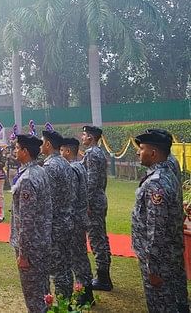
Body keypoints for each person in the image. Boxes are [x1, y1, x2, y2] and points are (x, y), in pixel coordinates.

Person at [132, 130, 188, 313]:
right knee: (173, 299)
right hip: (170, 255)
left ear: (153, 153)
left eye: (141, 148)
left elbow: (156, 229)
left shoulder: (156, 183)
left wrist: (153, 267)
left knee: (160, 304)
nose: (138, 152)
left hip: (159, 260)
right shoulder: (167, 175)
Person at [10, 133, 52, 313]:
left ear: (25, 152)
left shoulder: (27, 178)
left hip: (31, 247)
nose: (14, 151)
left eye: (17, 148)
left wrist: (24, 254)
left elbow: (26, 220)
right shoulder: (40, 171)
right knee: (43, 292)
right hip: (42, 241)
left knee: (33, 296)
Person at [41, 123, 75, 301]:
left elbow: (48, 200)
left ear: (48, 145)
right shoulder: (65, 163)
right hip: (67, 220)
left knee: (57, 268)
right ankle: (68, 302)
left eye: (42, 142)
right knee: (65, 265)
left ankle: (63, 303)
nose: (40, 146)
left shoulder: (50, 167)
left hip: (55, 224)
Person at [60, 137, 94, 306]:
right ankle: (87, 292)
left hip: (73, 219)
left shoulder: (71, 169)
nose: (60, 154)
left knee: (77, 258)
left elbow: (71, 197)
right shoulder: (80, 165)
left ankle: (84, 294)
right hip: (80, 217)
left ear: (67, 151)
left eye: (61, 151)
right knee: (81, 256)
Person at [81, 124, 113, 291]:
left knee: (96, 239)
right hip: (100, 198)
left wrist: (86, 203)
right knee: (101, 238)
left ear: (91, 138)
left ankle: (103, 278)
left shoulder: (92, 153)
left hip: (93, 202)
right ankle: (104, 275)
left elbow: (91, 181)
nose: (82, 137)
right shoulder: (99, 153)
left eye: (84, 135)